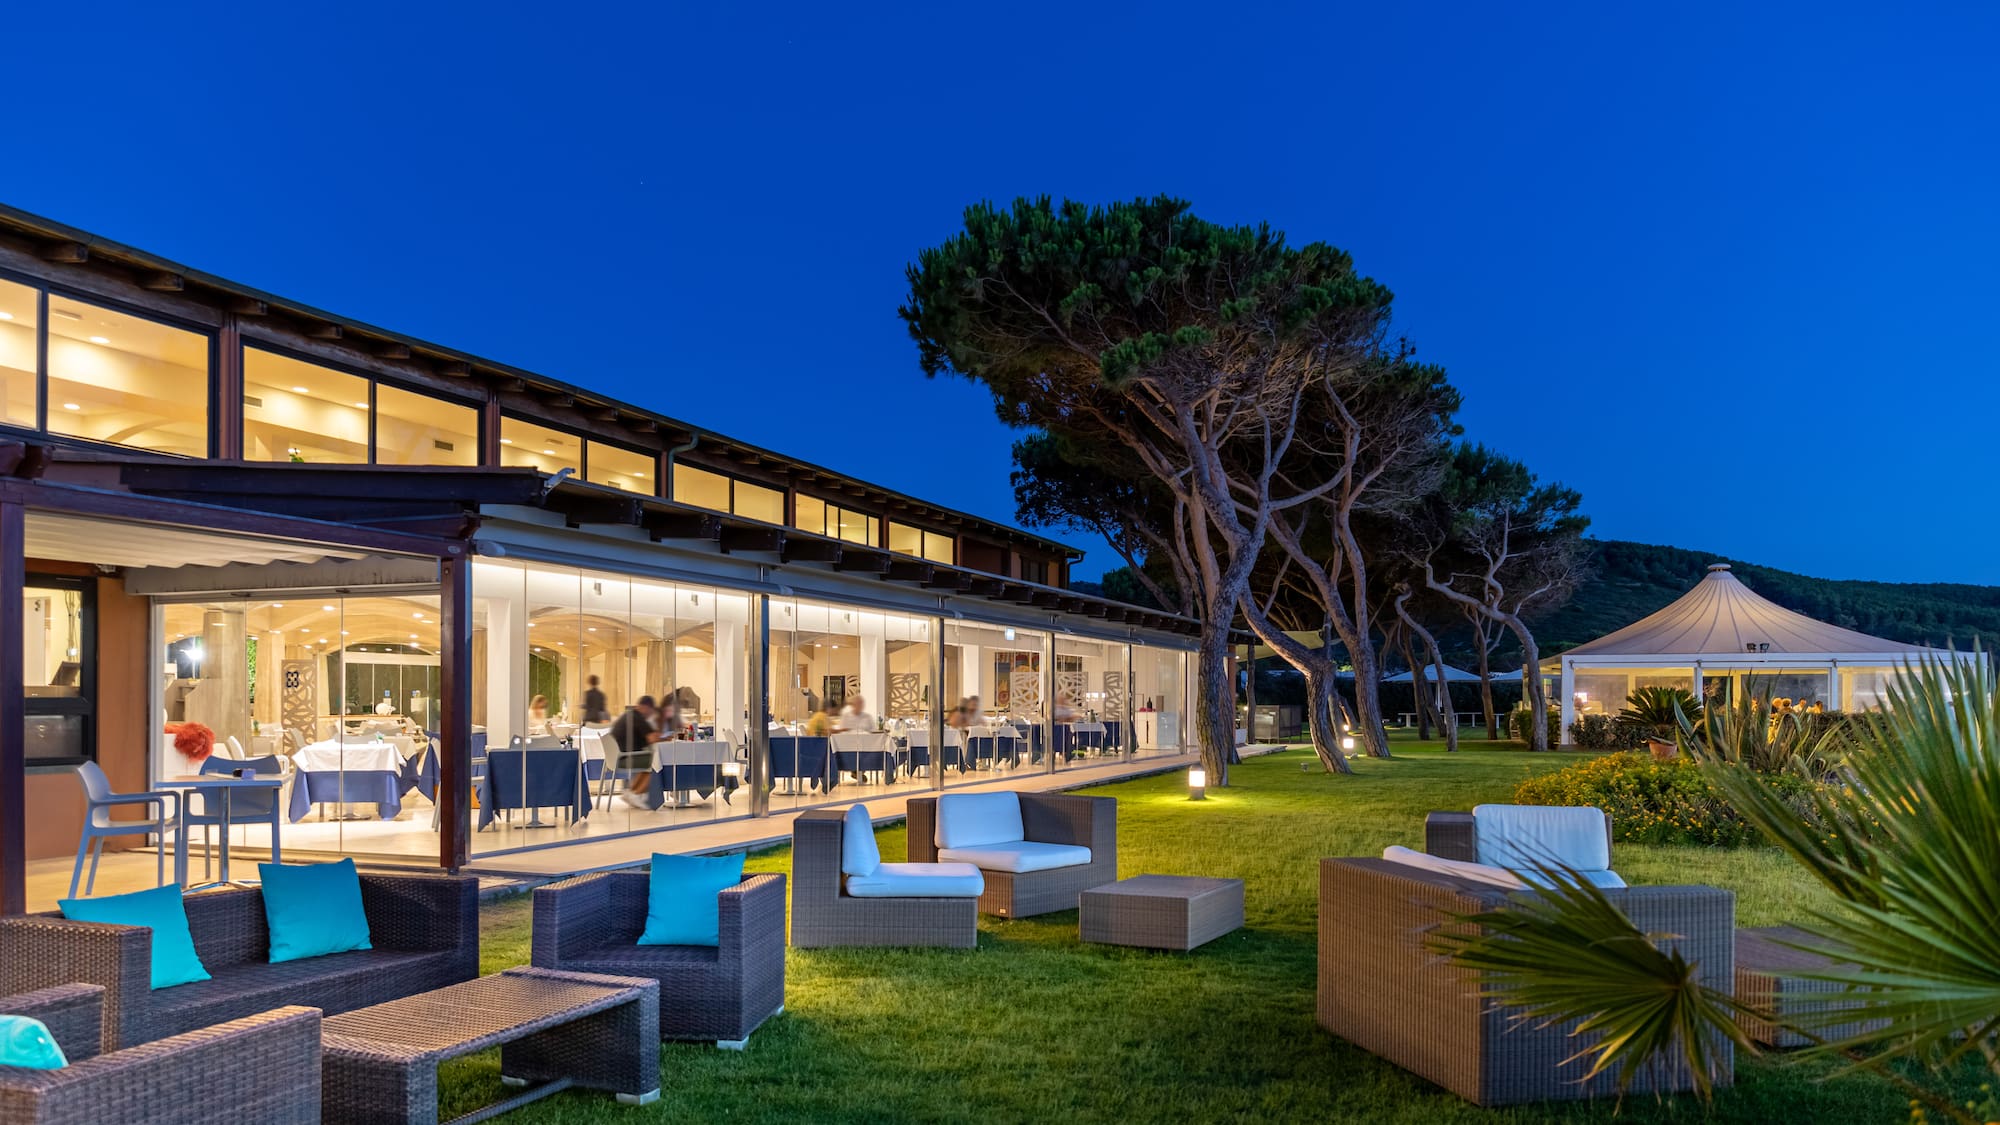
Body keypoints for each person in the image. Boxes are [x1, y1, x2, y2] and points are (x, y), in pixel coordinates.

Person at [609, 696, 660, 807]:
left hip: (619, 757)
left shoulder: (628, 715)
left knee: (651, 760)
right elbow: (652, 738)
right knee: (657, 763)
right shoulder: (638, 718)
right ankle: (637, 793)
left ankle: (632, 792)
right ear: (646, 708)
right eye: (651, 711)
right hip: (628, 757)